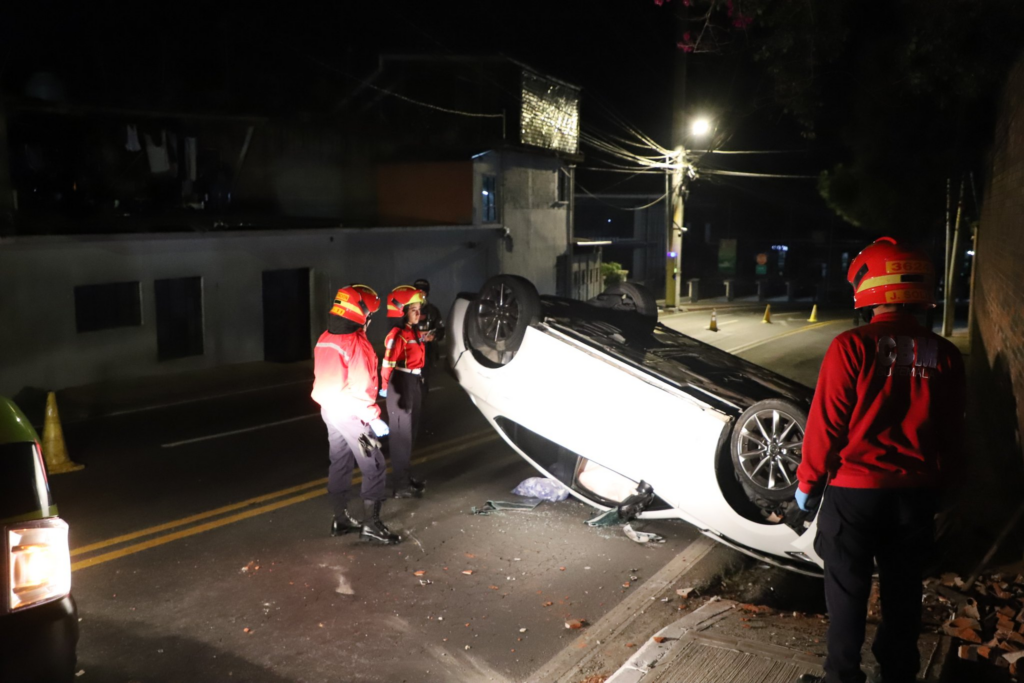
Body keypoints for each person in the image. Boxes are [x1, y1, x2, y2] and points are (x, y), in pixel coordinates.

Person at [795, 237, 966, 683]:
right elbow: (952, 430)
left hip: (854, 494)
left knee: (847, 592)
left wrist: (808, 484)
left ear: (868, 285)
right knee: (903, 592)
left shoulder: (850, 346)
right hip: (916, 495)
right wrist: (947, 485)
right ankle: (898, 674)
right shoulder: (945, 354)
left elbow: (826, 425)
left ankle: (842, 676)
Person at [311, 284, 401, 545]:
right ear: (360, 314)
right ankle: (371, 524)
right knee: (374, 463)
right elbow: (360, 389)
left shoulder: (325, 337)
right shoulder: (356, 344)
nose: (370, 318)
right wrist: (373, 417)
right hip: (353, 418)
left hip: (330, 412)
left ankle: (340, 520)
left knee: (339, 462)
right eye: (370, 314)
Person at [380, 285, 429, 499]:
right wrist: (384, 388)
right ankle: (400, 485)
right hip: (400, 383)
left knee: (410, 434)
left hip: (414, 381)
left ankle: (406, 478)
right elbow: (387, 364)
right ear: (401, 311)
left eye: (419, 309)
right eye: (413, 310)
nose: (418, 314)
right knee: (401, 437)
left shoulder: (412, 331)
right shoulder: (397, 334)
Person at [413, 278, 445, 370]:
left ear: (427, 293)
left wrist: (433, 336)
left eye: (423, 291)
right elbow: (400, 331)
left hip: (429, 353)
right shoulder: (407, 310)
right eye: (418, 291)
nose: (420, 294)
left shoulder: (433, 311)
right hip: (412, 353)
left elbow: (441, 331)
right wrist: (417, 335)